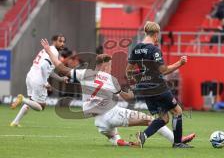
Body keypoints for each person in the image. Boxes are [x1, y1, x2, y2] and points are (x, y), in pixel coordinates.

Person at [40, 39, 195, 147]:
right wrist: (142, 87)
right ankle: (177, 139)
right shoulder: (111, 79)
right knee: (150, 119)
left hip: (99, 121)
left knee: (113, 136)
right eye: (110, 65)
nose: (111, 67)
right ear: (104, 65)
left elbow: (61, 68)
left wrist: (48, 51)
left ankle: (121, 142)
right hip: (112, 113)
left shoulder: (84, 74)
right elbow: (127, 97)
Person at [126, 21, 193, 148]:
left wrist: (138, 80)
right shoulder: (154, 50)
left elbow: (128, 71)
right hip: (157, 87)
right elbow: (164, 70)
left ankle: (143, 136)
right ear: (156, 34)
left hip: (145, 89)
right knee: (177, 111)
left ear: (146, 32)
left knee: (164, 118)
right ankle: (177, 143)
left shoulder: (136, 48)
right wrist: (180, 63)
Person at [10, 34, 68, 127]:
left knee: (31, 101)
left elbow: (49, 70)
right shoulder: (53, 52)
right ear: (54, 41)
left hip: (30, 76)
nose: (62, 43)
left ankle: (15, 122)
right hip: (38, 79)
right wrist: (45, 82)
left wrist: (60, 79)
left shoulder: (47, 49)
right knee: (41, 106)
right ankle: (22, 99)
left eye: (63, 42)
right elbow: (43, 66)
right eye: (60, 41)